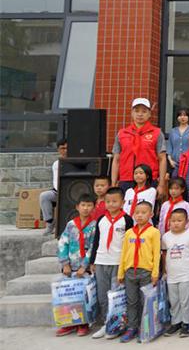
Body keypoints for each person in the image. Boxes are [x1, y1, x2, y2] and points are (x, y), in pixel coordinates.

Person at [89, 187, 132, 339]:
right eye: (108, 201)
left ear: (123, 202)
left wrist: (126, 263)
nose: (111, 204)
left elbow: (129, 243)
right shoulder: (101, 219)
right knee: (102, 295)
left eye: (114, 201)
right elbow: (96, 241)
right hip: (101, 261)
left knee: (116, 295)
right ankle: (106, 323)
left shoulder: (127, 220)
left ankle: (117, 325)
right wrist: (93, 261)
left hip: (117, 262)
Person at [117, 201, 160, 343]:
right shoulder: (129, 233)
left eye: (144, 212)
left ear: (151, 214)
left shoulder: (153, 232)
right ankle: (132, 327)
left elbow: (156, 254)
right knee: (131, 301)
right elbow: (124, 254)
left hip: (146, 272)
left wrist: (155, 273)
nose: (140, 215)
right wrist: (121, 273)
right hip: (130, 272)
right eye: (137, 213)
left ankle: (145, 328)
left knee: (145, 301)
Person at [56, 193, 97, 337]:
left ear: (94, 207)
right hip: (70, 268)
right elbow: (63, 243)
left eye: (89, 205)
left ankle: (83, 324)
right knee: (68, 296)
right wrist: (65, 264)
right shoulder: (71, 224)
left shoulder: (94, 226)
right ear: (77, 207)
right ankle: (69, 323)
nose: (86, 208)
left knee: (83, 296)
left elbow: (93, 247)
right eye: (83, 205)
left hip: (84, 269)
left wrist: (84, 266)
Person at [111, 98, 167, 197]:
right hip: (126, 179)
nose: (140, 114)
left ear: (149, 114)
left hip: (149, 179)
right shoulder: (122, 133)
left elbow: (162, 159)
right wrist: (113, 182)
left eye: (144, 111)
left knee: (147, 206)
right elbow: (116, 160)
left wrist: (161, 184)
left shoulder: (157, 133)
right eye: (137, 111)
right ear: (132, 113)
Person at [161, 208, 189, 338]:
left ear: (186, 221)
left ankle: (186, 324)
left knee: (185, 300)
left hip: (186, 273)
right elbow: (164, 254)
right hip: (172, 273)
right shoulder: (166, 237)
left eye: (179, 220)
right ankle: (175, 322)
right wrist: (164, 270)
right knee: (174, 300)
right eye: (173, 221)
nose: (176, 223)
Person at [41, 138, 67, 235]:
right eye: (63, 148)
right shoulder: (56, 164)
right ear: (58, 150)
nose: (65, 151)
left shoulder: (78, 160)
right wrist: (61, 192)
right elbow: (56, 181)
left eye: (67, 148)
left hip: (75, 191)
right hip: (59, 192)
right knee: (44, 196)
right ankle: (50, 224)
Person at [167, 108, 189, 172]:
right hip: (174, 164)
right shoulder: (173, 131)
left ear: (188, 117)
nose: (182, 117)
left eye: (185, 115)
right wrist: (170, 160)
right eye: (180, 115)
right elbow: (169, 148)